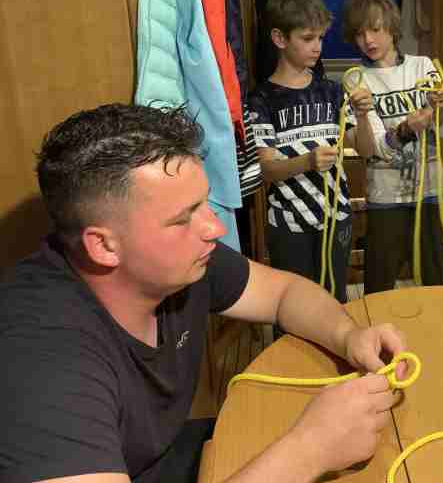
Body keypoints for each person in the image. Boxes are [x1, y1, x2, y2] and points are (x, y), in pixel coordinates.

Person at [0, 104, 407, 482]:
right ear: (104, 246)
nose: (214, 228)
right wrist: (310, 450)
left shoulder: (178, 262)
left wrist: (348, 336)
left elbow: (285, 292)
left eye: (203, 205)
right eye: (183, 218)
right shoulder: (38, 359)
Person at [250, 0, 376, 303]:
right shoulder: (262, 99)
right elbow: (266, 170)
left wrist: (363, 116)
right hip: (289, 224)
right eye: (307, 38)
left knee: (335, 301)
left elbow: (365, 150)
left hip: (337, 218)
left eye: (320, 38)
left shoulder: (332, 91)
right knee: (293, 306)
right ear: (280, 39)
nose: (317, 47)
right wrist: (306, 162)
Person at [341, 0, 443, 293]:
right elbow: (374, 149)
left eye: (376, 29)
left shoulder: (423, 66)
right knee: (379, 282)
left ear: (391, 26)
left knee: (436, 281)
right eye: (360, 33)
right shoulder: (356, 80)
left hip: (430, 191)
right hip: (385, 196)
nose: (368, 40)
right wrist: (407, 127)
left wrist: (439, 108)